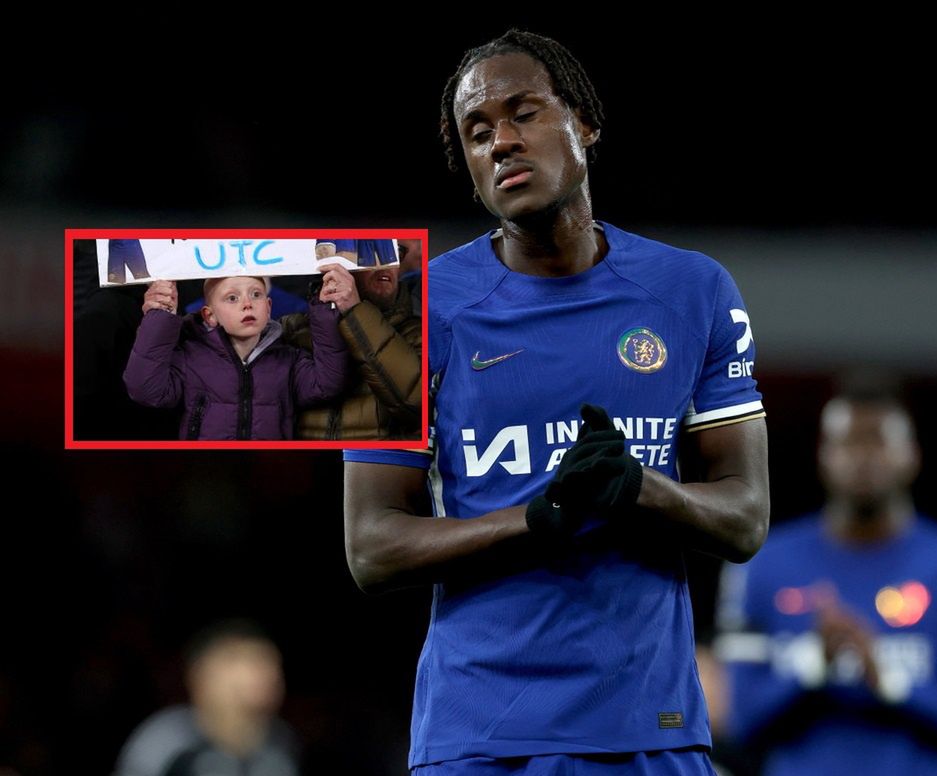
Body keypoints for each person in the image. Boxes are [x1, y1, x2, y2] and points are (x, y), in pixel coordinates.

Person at [342, 29, 769, 775]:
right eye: (478, 133)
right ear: (468, 167)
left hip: (652, 732)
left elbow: (744, 518)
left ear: (585, 123)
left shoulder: (693, 291)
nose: (502, 141)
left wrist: (642, 488)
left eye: (524, 113)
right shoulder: (401, 313)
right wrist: (539, 519)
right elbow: (371, 548)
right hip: (477, 738)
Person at [714, 383, 937, 776]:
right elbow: (737, 722)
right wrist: (814, 666)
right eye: (847, 443)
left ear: (911, 456)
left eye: (879, 441)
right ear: (823, 457)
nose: (863, 457)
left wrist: (891, 681)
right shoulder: (760, 566)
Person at [123, 273, 349, 440]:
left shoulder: (288, 359)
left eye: (256, 294)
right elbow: (145, 389)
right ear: (210, 316)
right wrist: (160, 317)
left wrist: (323, 310)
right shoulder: (190, 357)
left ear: (268, 307)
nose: (247, 304)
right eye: (232, 298)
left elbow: (327, 384)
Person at [113, 620, 299, 776]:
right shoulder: (169, 740)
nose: (260, 674)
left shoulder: (281, 742)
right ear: (201, 675)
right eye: (237, 661)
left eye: (270, 662)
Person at [282, 255, 423, 440]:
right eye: (370, 256)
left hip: (376, 466)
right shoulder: (292, 330)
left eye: (394, 253)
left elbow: (416, 405)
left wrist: (355, 311)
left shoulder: (418, 332)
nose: (385, 264)